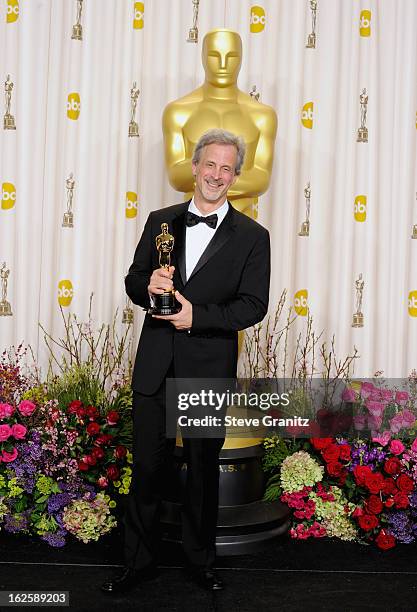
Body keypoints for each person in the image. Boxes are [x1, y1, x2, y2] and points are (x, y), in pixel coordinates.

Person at [101, 128, 271, 594]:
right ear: (194, 167)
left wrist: (197, 316)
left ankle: (200, 563)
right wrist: (147, 286)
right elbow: (133, 280)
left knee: (201, 469)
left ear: (235, 176)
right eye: (209, 164)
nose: (216, 174)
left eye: (226, 168)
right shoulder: (160, 220)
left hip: (207, 368)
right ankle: (138, 562)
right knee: (148, 469)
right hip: (156, 364)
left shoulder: (254, 236)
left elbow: (253, 306)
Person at [163, 29, 277, 218]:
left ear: (241, 58)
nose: (223, 65)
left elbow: (262, 178)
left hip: (244, 226)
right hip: (191, 223)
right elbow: (176, 176)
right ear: (202, 57)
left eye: (231, 57)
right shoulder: (178, 112)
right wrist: (230, 177)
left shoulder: (262, 116)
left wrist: (207, 178)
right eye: (215, 56)